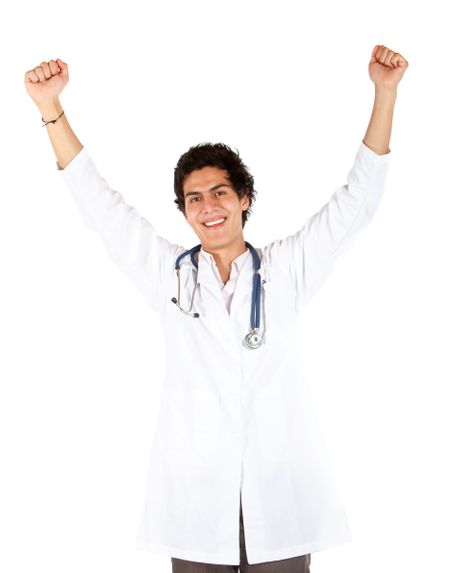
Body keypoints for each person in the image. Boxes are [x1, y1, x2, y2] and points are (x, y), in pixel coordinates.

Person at [24, 44, 408, 573]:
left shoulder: (287, 269)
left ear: (244, 198)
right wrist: (50, 108)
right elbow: (101, 206)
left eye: (220, 192)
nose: (209, 207)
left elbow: (357, 202)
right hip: (197, 504)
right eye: (195, 198)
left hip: (279, 497)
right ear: (184, 211)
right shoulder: (170, 276)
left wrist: (385, 93)